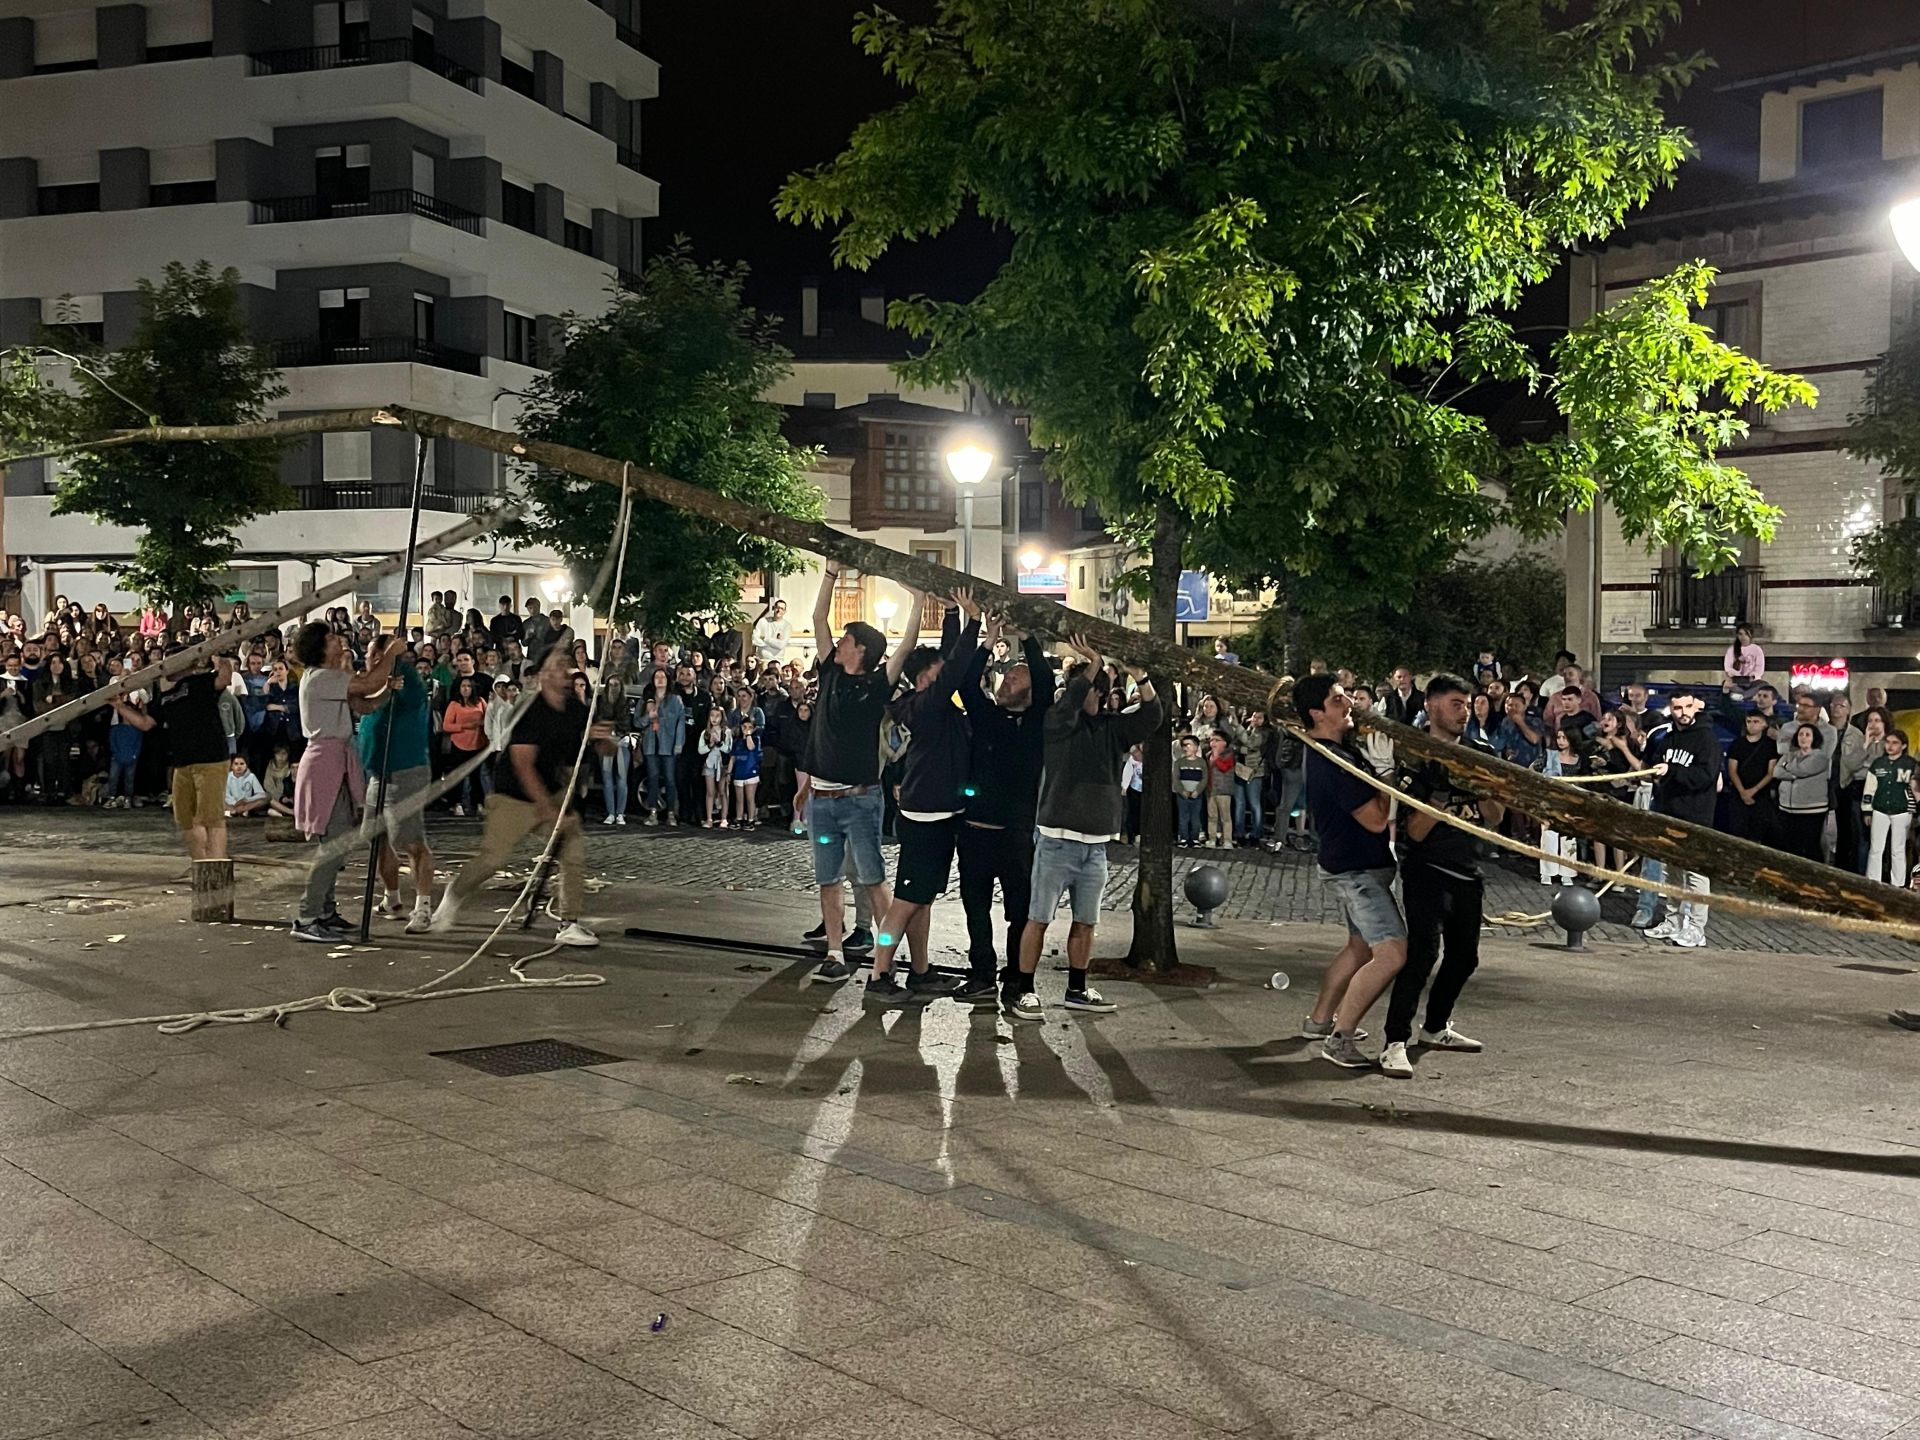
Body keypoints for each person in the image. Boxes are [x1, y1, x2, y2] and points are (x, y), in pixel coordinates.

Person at [1008, 635, 1161, 1020]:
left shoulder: (1112, 728)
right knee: (1038, 917)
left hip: (1095, 844)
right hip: (1056, 839)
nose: (1091, 697)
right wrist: (1090, 661)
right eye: (1090, 689)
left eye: (1098, 691)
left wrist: (1140, 678)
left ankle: (1077, 987)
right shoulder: (1058, 723)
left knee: (1086, 921)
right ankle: (1024, 989)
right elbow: (1071, 702)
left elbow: (1151, 717)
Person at [433, 636, 613, 946]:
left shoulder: (575, 709)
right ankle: (454, 894)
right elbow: (522, 763)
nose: (563, 671)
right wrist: (548, 807)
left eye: (565, 666)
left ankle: (569, 923)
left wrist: (604, 741)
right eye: (556, 666)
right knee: (493, 858)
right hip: (513, 793)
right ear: (542, 674)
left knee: (572, 848)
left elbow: (590, 750)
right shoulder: (530, 709)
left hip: (550, 787)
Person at [803, 561, 926, 984]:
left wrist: (919, 601)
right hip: (823, 798)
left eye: (846, 640)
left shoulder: (876, 685)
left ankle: (885, 963)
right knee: (828, 878)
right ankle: (835, 954)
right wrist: (831, 574)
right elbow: (818, 617)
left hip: (859, 799)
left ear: (862, 651)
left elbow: (907, 646)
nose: (838, 642)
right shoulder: (830, 673)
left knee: (874, 880)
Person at [863, 595, 985, 1004]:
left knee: (923, 898)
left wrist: (953, 617)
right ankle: (880, 973)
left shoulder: (933, 704)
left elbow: (951, 661)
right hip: (926, 815)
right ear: (924, 680)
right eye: (939, 672)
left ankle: (920, 970)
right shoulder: (927, 705)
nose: (946, 675)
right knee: (905, 901)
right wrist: (973, 623)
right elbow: (955, 667)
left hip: (938, 810)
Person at [1381, 673, 1504, 1079]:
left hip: (1468, 868)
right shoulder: (1415, 754)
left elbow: (1495, 819)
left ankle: (1435, 1028)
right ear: (1432, 706)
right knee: (1421, 956)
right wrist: (1438, 793)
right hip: (1426, 868)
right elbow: (1413, 831)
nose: (1464, 712)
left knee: (1465, 957)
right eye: (1455, 704)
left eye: (1467, 705)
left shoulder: (1479, 750)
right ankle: (1394, 1041)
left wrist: (1483, 786)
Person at [1297, 674, 1405, 1068]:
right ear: (1317, 713)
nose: (1349, 706)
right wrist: (1386, 772)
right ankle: (1340, 1039)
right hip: (1356, 871)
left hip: (1350, 865)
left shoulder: (1334, 751)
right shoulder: (1335, 762)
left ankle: (1320, 1022)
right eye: (1338, 700)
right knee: (1392, 953)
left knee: (1359, 948)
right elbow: (1377, 820)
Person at [948, 624, 1056, 1004]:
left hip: (1015, 833)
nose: (1004, 678)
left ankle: (1014, 977)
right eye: (1006, 673)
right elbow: (964, 684)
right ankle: (981, 974)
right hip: (976, 830)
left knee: (1019, 911)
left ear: (1027, 693)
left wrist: (1029, 639)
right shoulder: (987, 715)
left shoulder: (1035, 723)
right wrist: (987, 641)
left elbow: (1044, 682)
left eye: (1013, 677)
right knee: (975, 907)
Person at [289, 625, 402, 942]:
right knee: (334, 843)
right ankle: (308, 915)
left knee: (339, 838)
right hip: (326, 761)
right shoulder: (321, 677)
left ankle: (325, 911)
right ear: (318, 648)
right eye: (329, 639)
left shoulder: (329, 678)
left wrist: (386, 690)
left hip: (336, 759)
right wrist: (391, 655)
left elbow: (364, 702)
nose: (337, 641)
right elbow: (367, 683)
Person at [110, 653, 237, 862]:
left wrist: (220, 656)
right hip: (182, 761)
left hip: (211, 758)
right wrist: (119, 706)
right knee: (186, 819)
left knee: (211, 818)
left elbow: (224, 678)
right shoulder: (166, 696)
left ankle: (216, 867)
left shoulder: (200, 681)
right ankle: (200, 865)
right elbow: (145, 723)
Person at [358, 656, 437, 933]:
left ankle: (423, 907)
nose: (368, 660)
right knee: (375, 836)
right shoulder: (377, 686)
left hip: (405, 773)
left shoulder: (408, 683)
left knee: (412, 842)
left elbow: (413, 698)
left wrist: (394, 662)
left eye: (373, 655)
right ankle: (392, 899)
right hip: (378, 774)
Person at [1645, 691, 1722, 948]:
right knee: (1672, 871)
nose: (1684, 712)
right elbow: (1657, 764)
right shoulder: (1668, 739)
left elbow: (1706, 776)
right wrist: (1657, 771)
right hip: (1670, 812)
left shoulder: (1706, 739)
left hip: (1697, 815)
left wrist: (1673, 771)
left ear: (1695, 707)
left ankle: (1697, 928)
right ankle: (1674, 920)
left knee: (1696, 873)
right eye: (1678, 708)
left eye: (1688, 706)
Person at [1864, 725, 1917, 887]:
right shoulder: (1878, 764)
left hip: (1902, 811)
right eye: (1888, 742)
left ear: (1904, 746)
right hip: (1879, 809)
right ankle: (1873, 881)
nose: (1890, 746)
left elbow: (1915, 789)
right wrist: (1867, 810)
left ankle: (1898, 884)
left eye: (1895, 743)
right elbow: (1870, 787)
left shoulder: (1911, 765)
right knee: (1876, 848)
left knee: (1898, 849)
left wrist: (1913, 812)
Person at [1773, 724, 1830, 864]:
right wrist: (1792, 774)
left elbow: (1803, 770)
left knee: (1810, 845)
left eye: (1807, 735)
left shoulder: (1820, 757)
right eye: (1800, 734)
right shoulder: (1789, 755)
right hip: (1787, 808)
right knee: (1791, 845)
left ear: (1814, 738)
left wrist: (1787, 767)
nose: (1803, 738)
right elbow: (1776, 772)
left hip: (1811, 809)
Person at [1722, 709, 1777, 844]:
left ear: (1764, 724)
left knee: (1757, 834)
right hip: (1738, 794)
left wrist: (1754, 790)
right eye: (1749, 721)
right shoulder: (1737, 744)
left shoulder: (1770, 745)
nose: (1752, 725)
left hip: (1761, 796)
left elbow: (1771, 772)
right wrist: (1743, 792)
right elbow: (1732, 770)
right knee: (1738, 833)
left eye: (1756, 722)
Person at [441, 676, 489, 817]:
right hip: (459, 745)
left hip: (478, 744)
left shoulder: (481, 702)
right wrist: (464, 726)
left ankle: (478, 804)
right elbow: (446, 725)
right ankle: (457, 804)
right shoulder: (454, 704)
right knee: (459, 776)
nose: (465, 689)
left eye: (468, 686)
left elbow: (488, 718)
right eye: (463, 686)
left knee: (476, 777)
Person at [698, 709, 733, 827]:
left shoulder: (726, 732)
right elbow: (700, 750)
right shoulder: (706, 733)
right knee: (710, 792)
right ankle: (709, 819)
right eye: (712, 715)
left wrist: (719, 743)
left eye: (717, 716)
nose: (714, 718)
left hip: (722, 764)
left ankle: (724, 818)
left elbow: (729, 749)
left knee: (723, 791)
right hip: (710, 764)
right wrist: (710, 745)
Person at [1203, 731, 1236, 847]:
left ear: (1224, 743)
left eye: (1217, 740)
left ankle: (1227, 839)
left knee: (1225, 817)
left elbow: (1224, 767)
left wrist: (1216, 756)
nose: (1213, 743)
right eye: (1212, 740)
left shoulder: (1229, 754)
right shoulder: (1207, 755)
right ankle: (1212, 838)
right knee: (1212, 816)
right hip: (1211, 790)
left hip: (1223, 790)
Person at [1174, 735, 1207, 847]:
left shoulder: (1201, 763)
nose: (1186, 747)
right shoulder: (1179, 763)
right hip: (1182, 795)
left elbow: (1204, 778)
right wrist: (1182, 791)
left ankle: (1195, 838)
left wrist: (1198, 791)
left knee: (1195, 817)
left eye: (1189, 744)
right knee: (1183, 816)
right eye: (1184, 745)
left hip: (1196, 795)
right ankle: (1183, 838)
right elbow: (1175, 779)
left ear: (1196, 747)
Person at [1722, 625, 1766, 694]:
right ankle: (1746, 695)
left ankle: (1744, 695)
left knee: (1764, 685)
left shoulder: (1757, 649)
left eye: (1746, 634)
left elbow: (1760, 668)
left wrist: (1753, 676)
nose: (1743, 637)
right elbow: (1728, 667)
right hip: (1736, 680)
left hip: (1752, 681)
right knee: (1727, 684)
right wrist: (1738, 676)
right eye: (1740, 634)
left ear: (1751, 635)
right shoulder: (1731, 650)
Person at [752, 598, 792, 666]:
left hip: (777, 661)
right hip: (762, 660)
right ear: (774, 608)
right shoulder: (763, 621)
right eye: (777, 608)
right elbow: (754, 640)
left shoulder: (787, 626)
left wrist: (765, 639)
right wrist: (774, 643)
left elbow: (781, 645)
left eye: (782, 609)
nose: (779, 610)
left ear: (785, 611)